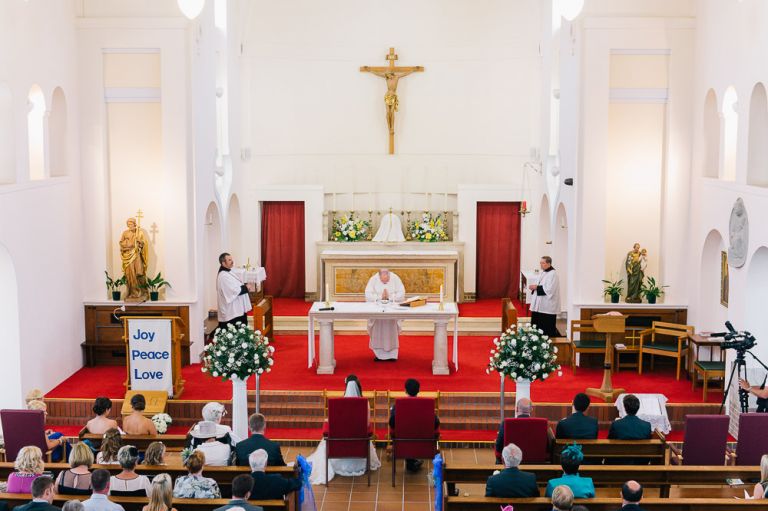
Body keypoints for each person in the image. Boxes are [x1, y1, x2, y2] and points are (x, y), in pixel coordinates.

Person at [306, 375, 381, 484]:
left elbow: (334, 424)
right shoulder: (365, 403)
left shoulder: (338, 404)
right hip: (359, 445)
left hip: (339, 447)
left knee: (326, 435)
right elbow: (367, 425)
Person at [389, 378, 439, 472]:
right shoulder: (427, 405)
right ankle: (412, 462)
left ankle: (411, 461)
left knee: (407, 431)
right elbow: (436, 423)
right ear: (419, 390)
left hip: (403, 442)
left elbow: (392, 423)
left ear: (405, 390)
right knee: (414, 430)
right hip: (424, 442)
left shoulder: (398, 406)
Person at [364, 269, 406, 361]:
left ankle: (392, 355)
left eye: (387, 279)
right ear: (379, 276)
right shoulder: (373, 279)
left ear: (389, 275)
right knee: (377, 331)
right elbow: (367, 294)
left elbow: (402, 293)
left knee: (391, 331)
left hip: (392, 309)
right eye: (383, 280)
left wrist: (390, 297)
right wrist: (380, 297)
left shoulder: (395, 278)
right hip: (377, 310)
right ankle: (379, 355)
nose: (385, 281)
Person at [217, 253, 254, 331]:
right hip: (232, 311)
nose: (232, 261)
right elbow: (232, 291)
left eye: (231, 259)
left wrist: (245, 286)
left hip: (237, 309)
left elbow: (236, 285)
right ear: (223, 263)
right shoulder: (223, 276)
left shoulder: (229, 272)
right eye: (229, 260)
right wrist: (246, 287)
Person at [528, 256, 561, 338]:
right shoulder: (544, 272)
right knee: (537, 324)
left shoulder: (553, 274)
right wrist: (535, 286)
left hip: (547, 307)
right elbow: (540, 284)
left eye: (543, 263)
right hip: (540, 305)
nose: (541, 264)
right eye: (540, 263)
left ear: (549, 264)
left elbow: (550, 289)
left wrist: (536, 287)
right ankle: (535, 339)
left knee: (546, 327)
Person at [120, 217, 149, 301]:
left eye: (131, 224)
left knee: (139, 272)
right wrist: (128, 244)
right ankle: (132, 293)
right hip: (128, 256)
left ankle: (142, 292)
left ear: (134, 224)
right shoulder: (125, 233)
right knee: (130, 274)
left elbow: (144, 244)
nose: (130, 226)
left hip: (136, 255)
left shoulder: (139, 232)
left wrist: (139, 242)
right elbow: (121, 243)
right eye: (128, 224)